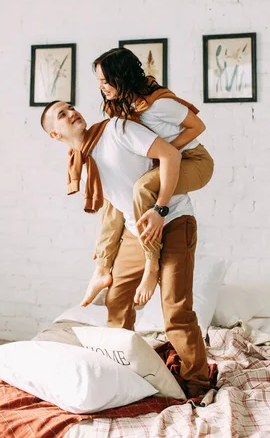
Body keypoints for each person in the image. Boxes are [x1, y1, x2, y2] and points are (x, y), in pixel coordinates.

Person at [41, 100, 210, 398]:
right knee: (117, 300)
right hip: (136, 231)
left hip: (172, 220)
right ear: (55, 135)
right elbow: (114, 208)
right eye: (62, 115)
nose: (72, 113)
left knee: (175, 311)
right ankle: (124, 372)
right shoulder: (83, 159)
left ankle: (197, 384)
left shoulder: (116, 130)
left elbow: (167, 159)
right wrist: (104, 262)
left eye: (71, 107)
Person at [81, 47, 214, 307]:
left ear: (122, 77)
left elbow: (198, 126)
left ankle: (151, 266)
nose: (102, 87)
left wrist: (166, 154)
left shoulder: (159, 104)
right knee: (113, 199)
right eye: (99, 80)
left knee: (142, 187)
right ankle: (102, 267)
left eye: (106, 80)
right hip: (168, 162)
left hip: (194, 161)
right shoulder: (123, 106)